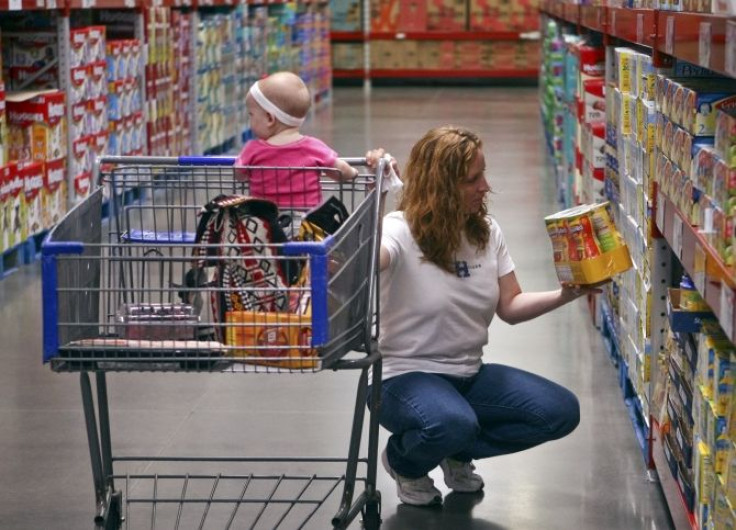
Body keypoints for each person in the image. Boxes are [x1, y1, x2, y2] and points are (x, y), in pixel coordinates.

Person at [367, 125, 598, 507]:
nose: (485, 186)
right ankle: (404, 461)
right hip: (401, 379)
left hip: (467, 375)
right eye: (473, 179)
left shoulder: (486, 232)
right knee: (451, 422)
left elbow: (510, 307)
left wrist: (567, 294)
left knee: (559, 412)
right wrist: (375, 196)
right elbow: (371, 259)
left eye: (484, 174)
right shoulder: (399, 231)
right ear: (441, 185)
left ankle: (454, 451)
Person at [234, 71, 358, 211]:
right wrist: (353, 172)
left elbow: (239, 174)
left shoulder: (253, 149)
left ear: (270, 118)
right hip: (307, 224)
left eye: (251, 115)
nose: (250, 120)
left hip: (265, 221)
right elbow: (340, 171)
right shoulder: (314, 147)